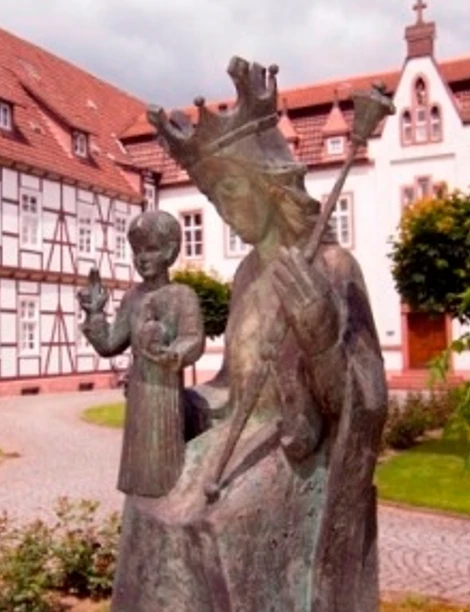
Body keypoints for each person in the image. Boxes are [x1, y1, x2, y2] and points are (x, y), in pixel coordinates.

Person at [109, 57, 389, 612]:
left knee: (202, 523)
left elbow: (366, 405)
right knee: (148, 507)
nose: (226, 210)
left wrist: (321, 338)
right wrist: (183, 399)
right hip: (234, 440)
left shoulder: (332, 268)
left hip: (294, 451)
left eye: (234, 191)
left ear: (269, 185)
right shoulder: (245, 276)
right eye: (215, 199)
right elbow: (232, 386)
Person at [79, 210, 207, 498]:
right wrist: (96, 314)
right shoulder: (132, 298)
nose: (142, 257)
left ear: (170, 251)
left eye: (151, 249)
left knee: (163, 469)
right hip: (139, 389)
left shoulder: (182, 295)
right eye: (137, 251)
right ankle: (139, 514)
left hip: (164, 391)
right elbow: (110, 344)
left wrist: (173, 354)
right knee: (138, 474)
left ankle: (164, 506)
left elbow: (193, 339)